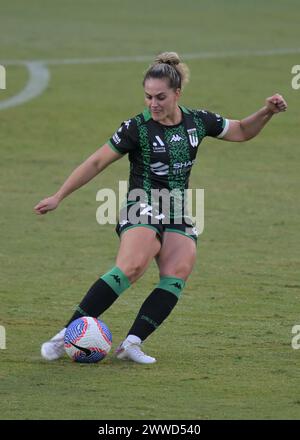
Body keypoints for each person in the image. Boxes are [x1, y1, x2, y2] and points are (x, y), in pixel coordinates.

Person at [34, 52, 287, 364]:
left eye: (161, 97)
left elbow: (242, 131)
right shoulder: (135, 128)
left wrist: (267, 111)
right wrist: (59, 196)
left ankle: (131, 344)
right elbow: (97, 161)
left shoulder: (198, 121)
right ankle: (65, 335)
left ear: (177, 93)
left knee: (177, 271)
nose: (153, 104)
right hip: (142, 202)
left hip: (176, 207)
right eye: (148, 96)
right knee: (132, 266)